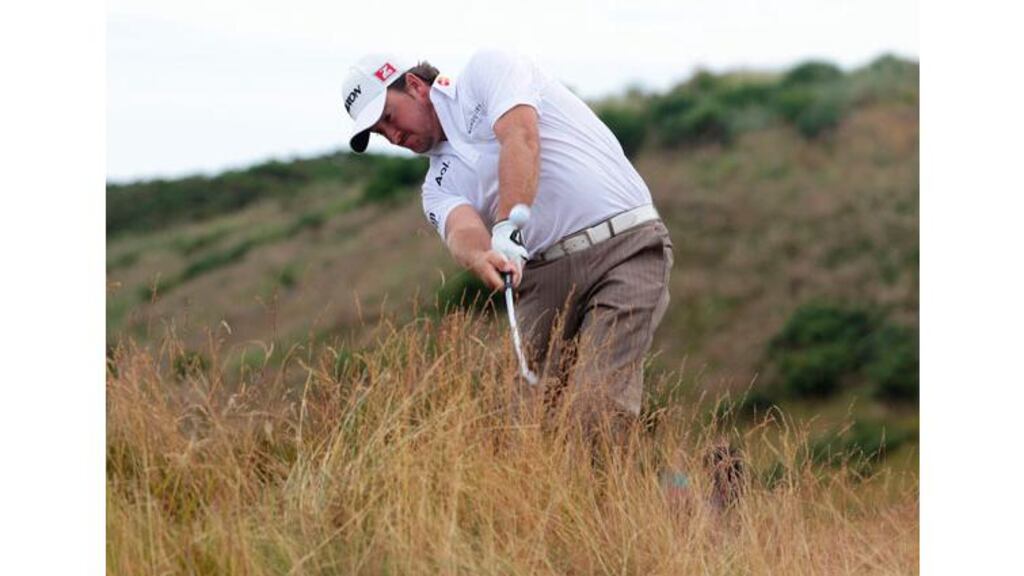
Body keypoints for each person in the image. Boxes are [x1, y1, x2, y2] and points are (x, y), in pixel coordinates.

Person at [340, 49, 674, 440]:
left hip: (625, 246)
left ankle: (645, 496)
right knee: (519, 426)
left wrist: (506, 222)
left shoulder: (487, 71)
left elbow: (520, 136)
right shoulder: (436, 186)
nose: (393, 136)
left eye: (389, 118)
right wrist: (483, 254)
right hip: (545, 276)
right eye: (381, 133)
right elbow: (461, 230)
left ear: (415, 86)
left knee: (594, 409)